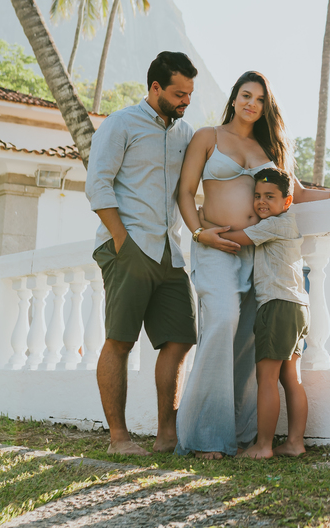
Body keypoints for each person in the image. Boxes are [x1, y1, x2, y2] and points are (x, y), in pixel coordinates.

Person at [176, 71, 330, 459]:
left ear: (265, 107)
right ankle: (204, 436)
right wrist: (199, 233)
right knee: (221, 322)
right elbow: (185, 192)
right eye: (245, 95)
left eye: (258, 99)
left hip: (257, 255)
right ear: (234, 98)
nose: (251, 103)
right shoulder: (208, 137)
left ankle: (238, 432)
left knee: (246, 340)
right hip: (215, 246)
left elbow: (298, 193)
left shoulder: (269, 149)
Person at [85, 50, 205, 456]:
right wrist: (121, 239)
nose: (186, 101)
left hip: (169, 252)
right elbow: (97, 184)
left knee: (180, 338)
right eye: (179, 93)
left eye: (190, 93)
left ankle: (166, 436)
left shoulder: (185, 133)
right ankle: (119, 439)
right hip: (128, 246)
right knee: (119, 341)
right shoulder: (121, 123)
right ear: (155, 88)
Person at [201, 168, 308, 459]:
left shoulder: (274, 224)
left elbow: (236, 239)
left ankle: (263, 446)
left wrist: (203, 226)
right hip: (297, 307)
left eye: (270, 197)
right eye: (258, 196)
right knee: (291, 377)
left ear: (287, 202)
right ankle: (295, 443)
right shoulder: (285, 222)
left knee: (267, 377)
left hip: (276, 305)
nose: (261, 202)